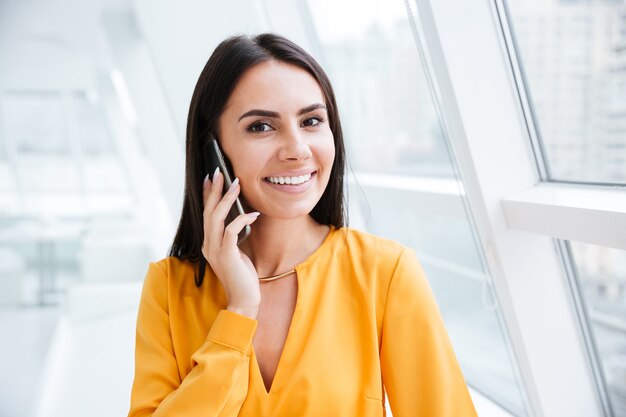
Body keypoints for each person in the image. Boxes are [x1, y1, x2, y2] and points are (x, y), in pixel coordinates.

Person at [127, 33, 477, 417]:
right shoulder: (168, 289)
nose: (296, 150)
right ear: (214, 150)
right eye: (261, 126)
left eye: (311, 121)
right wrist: (240, 310)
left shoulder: (384, 272)